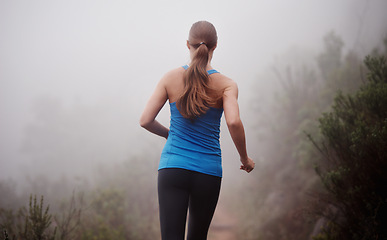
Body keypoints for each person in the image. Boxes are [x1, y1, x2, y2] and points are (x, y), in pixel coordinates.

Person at [139, 20, 255, 240]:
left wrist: (169, 134)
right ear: (215, 46)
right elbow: (233, 122)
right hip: (208, 171)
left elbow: (145, 120)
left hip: (172, 167)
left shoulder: (170, 78)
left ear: (187, 44)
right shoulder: (227, 84)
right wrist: (245, 159)